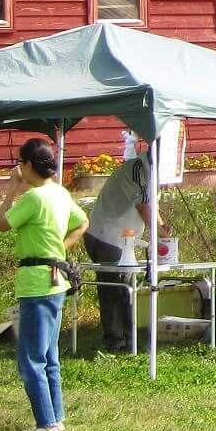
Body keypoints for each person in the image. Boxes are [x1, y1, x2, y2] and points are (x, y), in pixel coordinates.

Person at [0, 137, 85, 431]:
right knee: (49, 356)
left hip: (36, 283)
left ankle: (46, 424)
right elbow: (82, 222)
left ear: (29, 165)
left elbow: (2, 224)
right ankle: (56, 417)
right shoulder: (59, 192)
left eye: (21, 163)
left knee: (31, 359)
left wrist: (12, 189)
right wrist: (61, 248)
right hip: (56, 280)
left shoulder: (34, 198)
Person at [83, 148, 157, 353]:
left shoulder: (155, 171)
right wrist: (159, 233)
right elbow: (143, 205)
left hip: (124, 238)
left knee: (126, 286)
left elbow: (152, 205)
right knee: (113, 287)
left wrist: (163, 227)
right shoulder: (137, 169)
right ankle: (115, 341)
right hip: (105, 235)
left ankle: (129, 338)